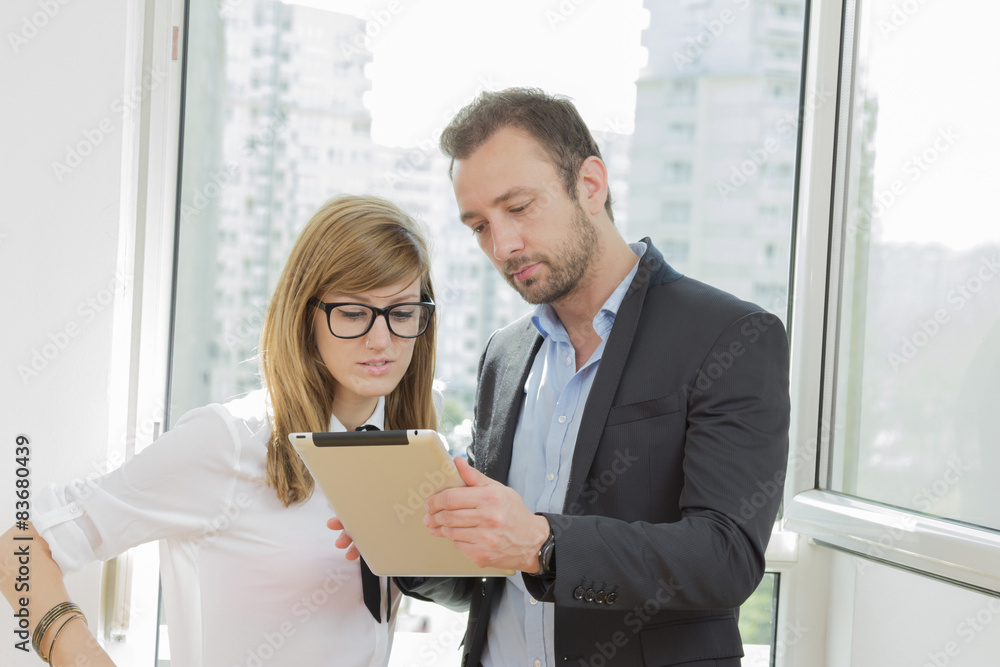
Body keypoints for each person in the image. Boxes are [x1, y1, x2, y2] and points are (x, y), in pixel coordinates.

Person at [365, 88, 791, 666]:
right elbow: (490, 577)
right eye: (479, 226)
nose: (503, 245)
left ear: (591, 184)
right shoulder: (505, 354)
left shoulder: (730, 336)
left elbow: (724, 556)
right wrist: (402, 543)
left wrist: (544, 542)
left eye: (518, 208)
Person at [0, 195, 438, 666]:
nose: (381, 340)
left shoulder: (413, 455)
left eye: (401, 313)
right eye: (353, 313)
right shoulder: (229, 441)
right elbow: (20, 550)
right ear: (305, 314)